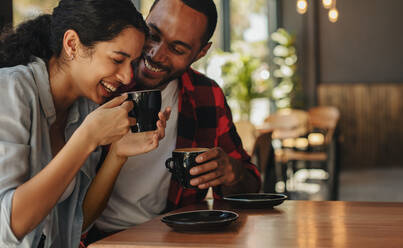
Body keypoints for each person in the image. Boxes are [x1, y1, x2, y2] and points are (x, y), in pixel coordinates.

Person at [85, 0, 261, 243]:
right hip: (96, 239)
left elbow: (249, 187)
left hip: (175, 238)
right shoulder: (101, 82)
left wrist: (233, 173)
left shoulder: (206, 95)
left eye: (177, 49)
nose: (156, 54)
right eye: (152, 34)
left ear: (201, 52)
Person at [0, 0, 170, 247]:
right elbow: (7, 226)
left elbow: (79, 220)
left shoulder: (86, 107)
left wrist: (118, 154)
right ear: (72, 45)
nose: (128, 77)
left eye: (132, 63)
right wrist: (87, 139)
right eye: (117, 59)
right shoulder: (10, 90)